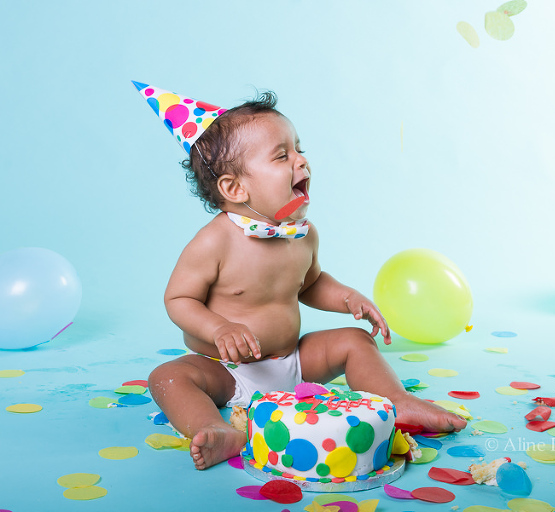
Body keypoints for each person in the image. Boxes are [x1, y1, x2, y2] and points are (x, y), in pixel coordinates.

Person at [141, 88, 467, 470]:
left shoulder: (302, 234)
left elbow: (310, 284)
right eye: (282, 155)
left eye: (299, 148)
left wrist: (349, 299)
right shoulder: (215, 241)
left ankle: (397, 401)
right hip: (226, 372)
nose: (301, 160)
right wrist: (219, 328)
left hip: (293, 362)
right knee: (168, 377)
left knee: (353, 340)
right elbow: (179, 300)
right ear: (234, 188)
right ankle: (216, 428)